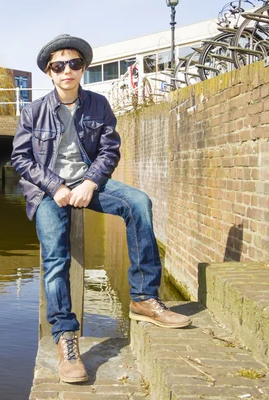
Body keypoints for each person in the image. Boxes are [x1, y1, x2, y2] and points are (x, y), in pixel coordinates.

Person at [11, 34, 191, 384]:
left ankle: (143, 298)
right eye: (59, 65)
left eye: (74, 64)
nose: (67, 70)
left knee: (138, 203)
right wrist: (55, 187)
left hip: (89, 184)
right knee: (55, 254)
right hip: (49, 191)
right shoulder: (33, 111)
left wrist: (90, 182)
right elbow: (21, 158)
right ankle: (66, 336)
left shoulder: (99, 105)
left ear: (83, 69)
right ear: (50, 72)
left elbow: (109, 150)